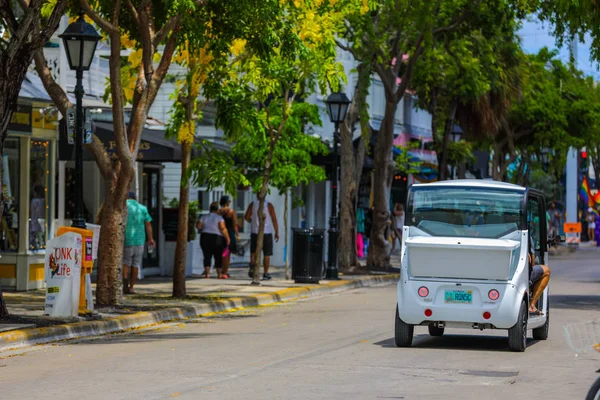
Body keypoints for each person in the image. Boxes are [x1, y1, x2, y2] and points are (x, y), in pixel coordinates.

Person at [123, 191, 155, 294]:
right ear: (135, 198)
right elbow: (148, 225)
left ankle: (124, 284)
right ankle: (132, 287)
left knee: (126, 263)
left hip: (127, 239)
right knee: (135, 264)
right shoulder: (142, 208)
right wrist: (150, 239)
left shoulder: (123, 207)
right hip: (140, 241)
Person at [244, 194, 279, 281]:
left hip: (255, 232)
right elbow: (274, 219)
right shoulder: (269, 205)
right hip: (266, 232)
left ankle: (253, 269)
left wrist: (252, 222)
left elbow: (246, 217)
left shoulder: (252, 204)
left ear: (256, 195)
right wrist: (276, 232)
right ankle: (266, 273)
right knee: (267, 254)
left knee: (253, 252)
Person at [196, 202, 230, 279]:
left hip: (205, 237)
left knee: (207, 255)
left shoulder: (204, 217)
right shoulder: (219, 218)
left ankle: (207, 274)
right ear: (217, 209)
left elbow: (199, 226)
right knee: (218, 256)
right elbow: (222, 228)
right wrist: (227, 238)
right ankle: (219, 274)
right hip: (216, 238)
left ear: (210, 209)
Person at [528, 229, 551, 315]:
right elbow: (532, 257)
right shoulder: (524, 235)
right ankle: (532, 305)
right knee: (546, 270)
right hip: (522, 274)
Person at [218, 195, 239, 279]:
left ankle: (221, 270)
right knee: (227, 253)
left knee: (222, 253)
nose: (230, 202)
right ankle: (225, 271)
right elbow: (234, 225)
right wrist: (237, 235)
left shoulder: (218, 212)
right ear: (226, 202)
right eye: (229, 201)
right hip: (229, 233)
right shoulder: (231, 212)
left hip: (220, 233)